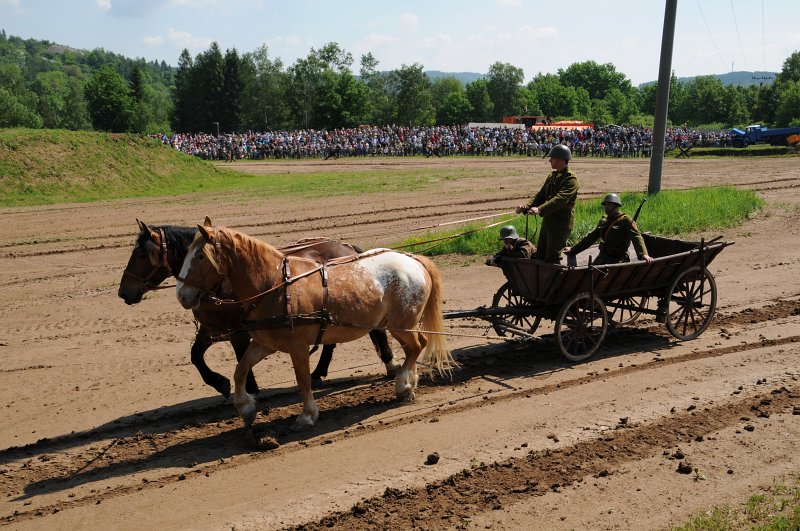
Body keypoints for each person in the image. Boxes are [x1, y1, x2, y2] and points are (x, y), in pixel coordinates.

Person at [515, 144, 579, 263]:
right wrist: (526, 206)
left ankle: (556, 280)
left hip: (560, 224)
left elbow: (560, 199)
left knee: (552, 258)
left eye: (552, 158)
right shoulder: (552, 176)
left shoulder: (571, 180)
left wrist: (539, 210)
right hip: (548, 222)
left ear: (560, 159)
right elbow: (541, 195)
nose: (549, 160)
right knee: (540, 254)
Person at [564, 193, 654, 265]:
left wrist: (644, 254)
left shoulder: (626, 221)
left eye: (609, 204)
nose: (606, 206)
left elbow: (636, 237)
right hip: (602, 257)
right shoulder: (604, 220)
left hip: (618, 260)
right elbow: (591, 238)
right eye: (605, 204)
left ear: (617, 206)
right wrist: (574, 249)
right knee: (590, 276)